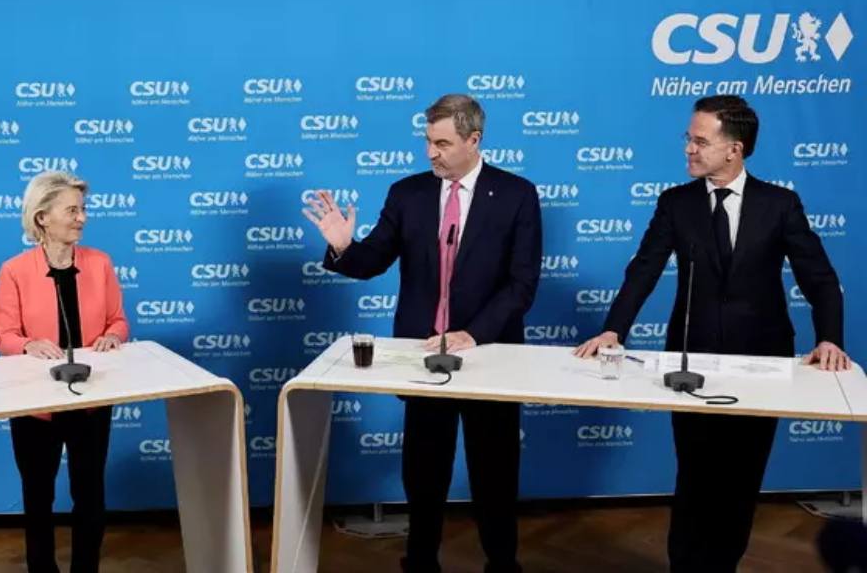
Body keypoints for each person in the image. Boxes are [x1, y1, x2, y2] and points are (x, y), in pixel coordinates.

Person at [574, 94, 849, 572]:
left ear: (734, 149)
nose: (689, 149)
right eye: (689, 138)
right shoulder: (675, 203)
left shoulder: (779, 204)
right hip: (691, 361)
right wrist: (614, 329)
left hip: (763, 361)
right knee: (695, 476)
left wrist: (829, 338)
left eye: (700, 141)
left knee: (741, 479)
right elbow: (643, 270)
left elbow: (820, 279)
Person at [304, 94, 542, 573]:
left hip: (489, 355)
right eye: (428, 141)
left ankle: (502, 563)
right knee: (424, 472)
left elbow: (521, 284)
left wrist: (473, 333)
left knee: (494, 473)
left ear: (474, 140)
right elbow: (372, 260)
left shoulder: (516, 194)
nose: (431, 153)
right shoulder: (407, 193)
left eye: (442, 144)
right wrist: (344, 247)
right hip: (422, 356)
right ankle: (420, 561)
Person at [0, 170, 129, 573]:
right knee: (38, 497)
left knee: (90, 494)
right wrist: (27, 345)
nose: (81, 218)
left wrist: (113, 336)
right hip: (35, 403)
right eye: (72, 210)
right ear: (42, 217)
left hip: (92, 400)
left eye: (82, 209)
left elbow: (119, 321)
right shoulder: (15, 270)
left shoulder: (100, 263)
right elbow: (4, 335)